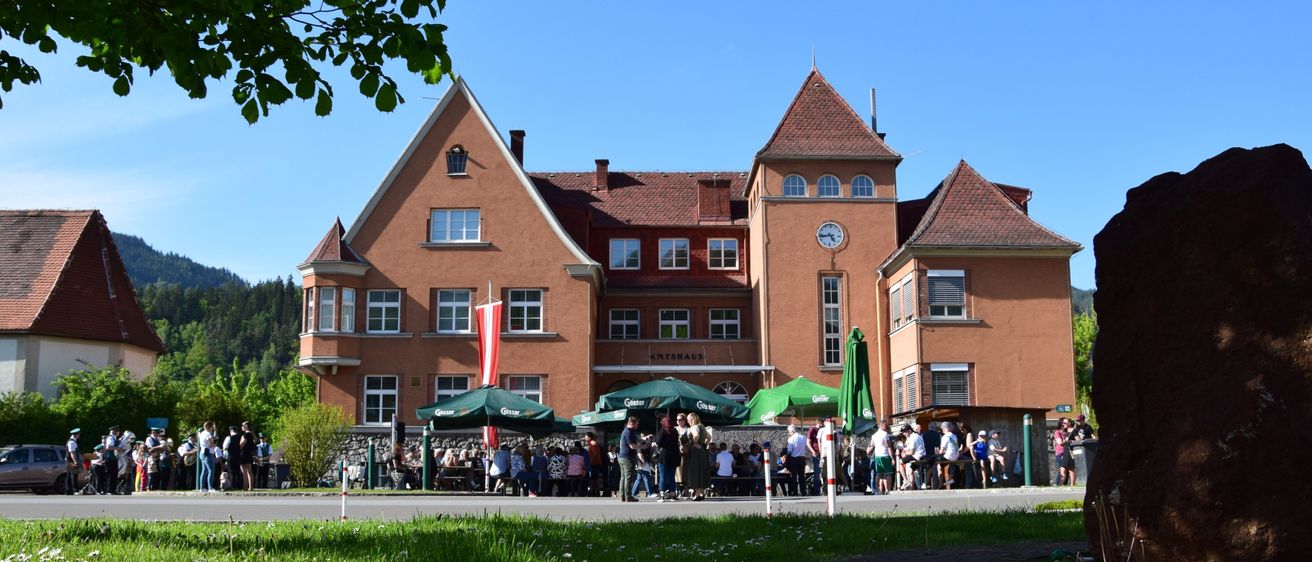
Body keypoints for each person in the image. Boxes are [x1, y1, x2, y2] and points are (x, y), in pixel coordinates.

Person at [682, 412, 711, 501]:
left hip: (695, 452)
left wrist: (695, 443)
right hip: (702, 450)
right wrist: (703, 445)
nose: (687, 422)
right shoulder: (702, 426)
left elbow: (696, 435)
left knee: (696, 472)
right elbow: (709, 438)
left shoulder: (694, 427)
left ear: (692, 419)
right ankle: (701, 493)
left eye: (688, 420)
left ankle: (697, 494)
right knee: (702, 471)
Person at [656, 414, 681, 502]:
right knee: (671, 476)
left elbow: (658, 442)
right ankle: (673, 494)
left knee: (662, 476)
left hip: (664, 455)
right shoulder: (675, 430)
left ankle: (662, 494)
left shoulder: (663, 430)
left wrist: (656, 444)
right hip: (674, 455)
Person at [867, 420, 893, 495]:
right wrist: (893, 458)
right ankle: (888, 490)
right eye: (886, 426)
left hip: (877, 456)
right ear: (883, 425)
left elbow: (872, 445)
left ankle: (876, 490)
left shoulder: (874, 435)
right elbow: (889, 445)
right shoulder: (885, 434)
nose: (887, 427)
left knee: (879, 474)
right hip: (885, 455)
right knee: (888, 474)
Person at [617, 417, 639, 502]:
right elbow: (632, 446)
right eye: (637, 424)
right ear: (632, 423)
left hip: (622, 457)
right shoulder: (628, 432)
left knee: (623, 477)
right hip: (627, 458)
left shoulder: (627, 431)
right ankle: (628, 496)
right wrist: (642, 447)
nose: (637, 426)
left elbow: (637, 439)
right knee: (628, 478)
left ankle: (622, 496)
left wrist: (645, 438)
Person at [785, 424, 808, 496]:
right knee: (802, 476)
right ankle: (803, 491)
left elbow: (789, 451)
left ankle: (795, 492)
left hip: (794, 459)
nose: (789, 433)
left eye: (789, 432)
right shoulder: (804, 437)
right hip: (802, 458)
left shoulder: (791, 439)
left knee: (794, 476)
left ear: (792, 431)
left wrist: (786, 458)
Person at [900, 424, 926, 490]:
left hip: (917, 456)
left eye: (905, 432)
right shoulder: (917, 436)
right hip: (922, 455)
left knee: (899, 462)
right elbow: (909, 447)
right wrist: (905, 450)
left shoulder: (913, 437)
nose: (903, 434)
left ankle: (905, 480)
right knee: (910, 471)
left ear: (909, 430)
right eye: (903, 432)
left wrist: (905, 453)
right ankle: (911, 487)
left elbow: (912, 452)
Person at [938, 421, 960, 489]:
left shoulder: (945, 437)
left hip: (948, 457)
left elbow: (942, 450)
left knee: (937, 463)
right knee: (952, 462)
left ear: (945, 429)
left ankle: (940, 484)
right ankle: (950, 478)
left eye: (942, 429)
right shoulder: (954, 436)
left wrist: (938, 453)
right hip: (956, 456)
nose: (942, 430)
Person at [103, 426, 125, 495]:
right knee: (111, 475)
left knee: (114, 475)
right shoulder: (111, 438)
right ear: (114, 431)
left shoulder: (113, 438)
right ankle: (110, 491)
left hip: (112, 458)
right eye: (117, 431)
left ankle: (113, 490)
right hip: (110, 459)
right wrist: (119, 448)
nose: (118, 433)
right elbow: (108, 447)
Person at [1054, 418, 1075, 485]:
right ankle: (1058, 484)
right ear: (1061, 424)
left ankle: (1065, 484)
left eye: (1068, 423)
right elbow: (1060, 442)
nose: (1067, 424)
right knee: (1063, 469)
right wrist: (1067, 441)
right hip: (1060, 453)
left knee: (1069, 469)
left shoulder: (1069, 432)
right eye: (1065, 423)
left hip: (1068, 452)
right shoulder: (1057, 432)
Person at [585, 433, 606, 497]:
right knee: (594, 479)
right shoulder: (592, 444)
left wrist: (590, 462)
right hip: (595, 464)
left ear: (589, 437)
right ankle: (595, 491)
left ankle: (595, 492)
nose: (585, 438)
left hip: (595, 464)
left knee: (594, 479)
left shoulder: (593, 443)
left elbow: (595, 454)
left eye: (586, 437)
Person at [222, 426, 242, 491]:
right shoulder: (241, 437)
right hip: (239, 457)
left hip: (231, 456)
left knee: (231, 472)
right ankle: (239, 486)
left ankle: (233, 486)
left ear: (231, 431)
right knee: (238, 472)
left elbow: (225, 447)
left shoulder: (229, 437)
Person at [239, 421, 257, 491]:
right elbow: (256, 440)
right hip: (249, 454)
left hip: (243, 454)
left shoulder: (246, 435)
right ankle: (251, 487)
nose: (242, 427)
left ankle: (245, 487)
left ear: (246, 426)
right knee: (250, 471)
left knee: (244, 471)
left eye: (242, 425)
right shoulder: (251, 434)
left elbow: (241, 444)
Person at [65, 428, 82, 495]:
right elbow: (72, 453)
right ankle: (75, 490)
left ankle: (68, 491)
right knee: (74, 476)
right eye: (79, 434)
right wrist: (75, 462)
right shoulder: (72, 442)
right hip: (71, 461)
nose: (79, 435)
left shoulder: (71, 441)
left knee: (69, 476)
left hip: (69, 461)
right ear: (77, 435)